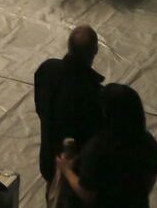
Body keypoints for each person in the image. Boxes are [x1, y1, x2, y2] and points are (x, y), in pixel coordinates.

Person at [56, 84, 157, 208]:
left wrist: (66, 170)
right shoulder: (148, 142)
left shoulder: (97, 149)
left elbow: (88, 194)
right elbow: (152, 176)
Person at [34, 25, 104, 187]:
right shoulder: (94, 93)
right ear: (95, 51)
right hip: (77, 170)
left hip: (48, 158)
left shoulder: (47, 70)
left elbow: (41, 108)